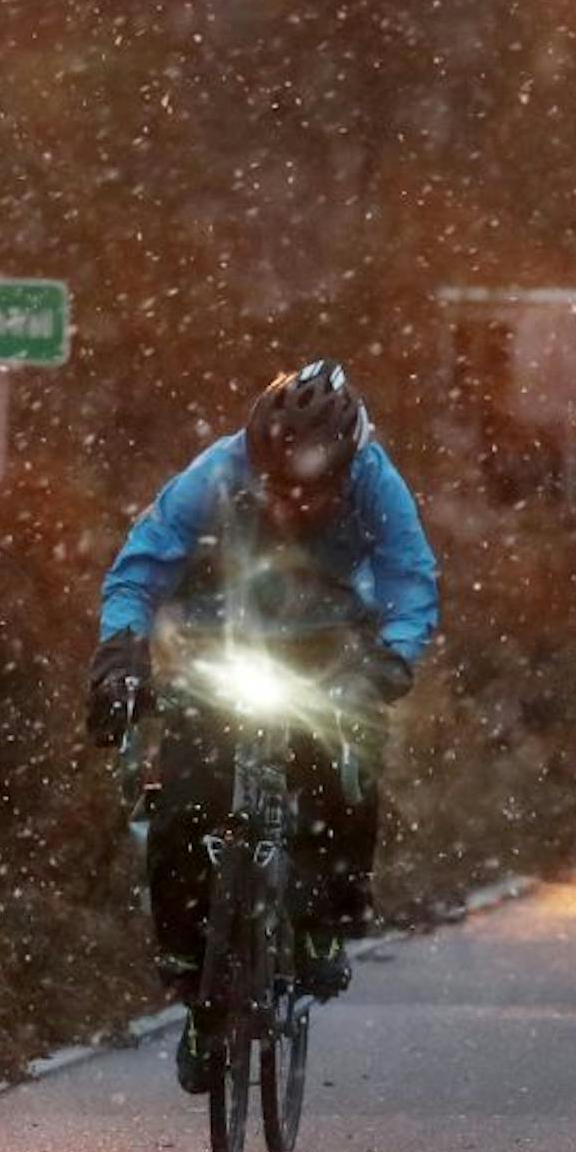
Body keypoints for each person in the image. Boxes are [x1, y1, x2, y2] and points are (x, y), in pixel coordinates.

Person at [85, 362, 438, 1084]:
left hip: (327, 648)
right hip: (226, 643)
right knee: (180, 803)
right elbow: (140, 569)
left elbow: (409, 577)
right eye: (276, 485)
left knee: (348, 769)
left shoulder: (376, 481)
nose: (291, 503)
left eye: (310, 489)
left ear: (345, 468)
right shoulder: (215, 472)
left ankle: (325, 921)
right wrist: (120, 656)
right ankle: (191, 980)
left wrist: (393, 660)